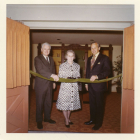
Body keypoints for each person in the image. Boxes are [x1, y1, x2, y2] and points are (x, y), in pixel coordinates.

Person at [84, 42, 111, 130]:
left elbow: (108, 71)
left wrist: (97, 76)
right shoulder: (89, 59)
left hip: (99, 86)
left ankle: (98, 123)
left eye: (95, 48)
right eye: (92, 48)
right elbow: (88, 72)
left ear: (99, 48)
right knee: (92, 104)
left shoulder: (104, 58)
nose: (93, 50)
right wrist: (87, 83)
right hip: (91, 86)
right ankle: (92, 120)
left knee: (99, 105)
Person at [34, 42, 59, 129]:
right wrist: (52, 76)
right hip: (40, 85)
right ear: (41, 50)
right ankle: (39, 120)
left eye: (48, 49)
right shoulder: (37, 58)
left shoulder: (51, 59)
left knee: (48, 102)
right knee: (40, 103)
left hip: (49, 85)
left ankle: (47, 118)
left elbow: (53, 70)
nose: (47, 51)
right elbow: (40, 70)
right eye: (45, 49)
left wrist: (54, 82)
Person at [56, 50, 81, 128]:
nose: (70, 57)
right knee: (64, 104)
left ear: (74, 57)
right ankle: (66, 120)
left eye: (72, 56)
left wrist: (77, 77)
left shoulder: (77, 66)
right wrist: (66, 78)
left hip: (74, 87)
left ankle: (68, 118)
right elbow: (60, 76)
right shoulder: (62, 66)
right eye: (69, 56)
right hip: (65, 87)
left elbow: (78, 75)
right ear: (66, 57)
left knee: (70, 103)